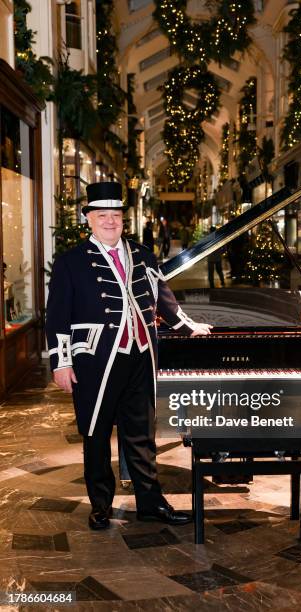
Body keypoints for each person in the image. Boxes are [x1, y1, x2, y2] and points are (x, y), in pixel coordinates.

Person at [46, 181, 212, 531]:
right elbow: (57, 315)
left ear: (124, 219)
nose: (110, 222)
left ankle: (151, 503)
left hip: (140, 356)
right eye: (102, 215)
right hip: (95, 359)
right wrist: (61, 362)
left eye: (116, 215)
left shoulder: (142, 255)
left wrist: (187, 326)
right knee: (96, 432)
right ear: (88, 218)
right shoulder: (71, 262)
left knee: (141, 435)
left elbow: (163, 299)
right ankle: (100, 506)